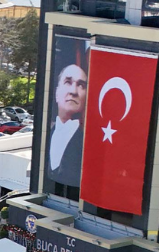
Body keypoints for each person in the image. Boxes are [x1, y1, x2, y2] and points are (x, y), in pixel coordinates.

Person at [46, 43, 88, 189]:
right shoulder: (48, 134)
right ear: (57, 92)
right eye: (68, 82)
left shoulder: (86, 142)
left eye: (81, 85)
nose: (73, 91)